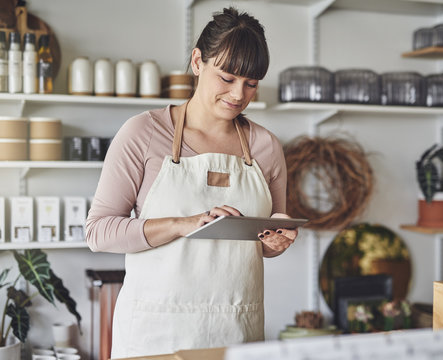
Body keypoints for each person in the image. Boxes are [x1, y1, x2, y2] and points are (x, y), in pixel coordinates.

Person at [85, 6, 298, 359]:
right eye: (227, 78)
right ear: (198, 62)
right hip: (155, 336)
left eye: (251, 84)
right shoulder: (144, 133)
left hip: (237, 332)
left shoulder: (266, 147)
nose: (238, 95)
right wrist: (182, 225)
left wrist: (276, 241)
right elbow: (98, 232)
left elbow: (264, 242)